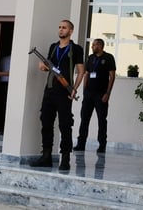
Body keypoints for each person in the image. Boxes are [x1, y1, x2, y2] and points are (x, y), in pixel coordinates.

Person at [30, 20, 85, 172]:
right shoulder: (53, 47)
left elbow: (81, 71)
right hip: (50, 90)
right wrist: (43, 67)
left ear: (71, 31)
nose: (61, 30)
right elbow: (45, 65)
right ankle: (46, 156)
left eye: (64, 28)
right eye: (59, 27)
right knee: (46, 122)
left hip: (65, 92)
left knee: (65, 125)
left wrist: (74, 89)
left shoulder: (76, 49)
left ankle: (65, 158)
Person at [75, 38, 116, 153]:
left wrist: (108, 93)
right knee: (84, 118)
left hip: (101, 94)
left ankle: (102, 144)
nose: (92, 47)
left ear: (100, 46)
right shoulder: (90, 58)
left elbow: (112, 76)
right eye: (92, 45)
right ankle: (81, 143)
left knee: (102, 120)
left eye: (94, 45)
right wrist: (84, 90)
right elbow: (86, 74)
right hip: (89, 93)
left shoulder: (108, 58)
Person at [0, 54, 11, 135]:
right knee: (1, 105)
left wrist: (2, 74)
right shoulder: (3, 59)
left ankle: (6, 128)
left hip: (11, 84)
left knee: (7, 106)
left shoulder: (16, 58)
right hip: (2, 84)